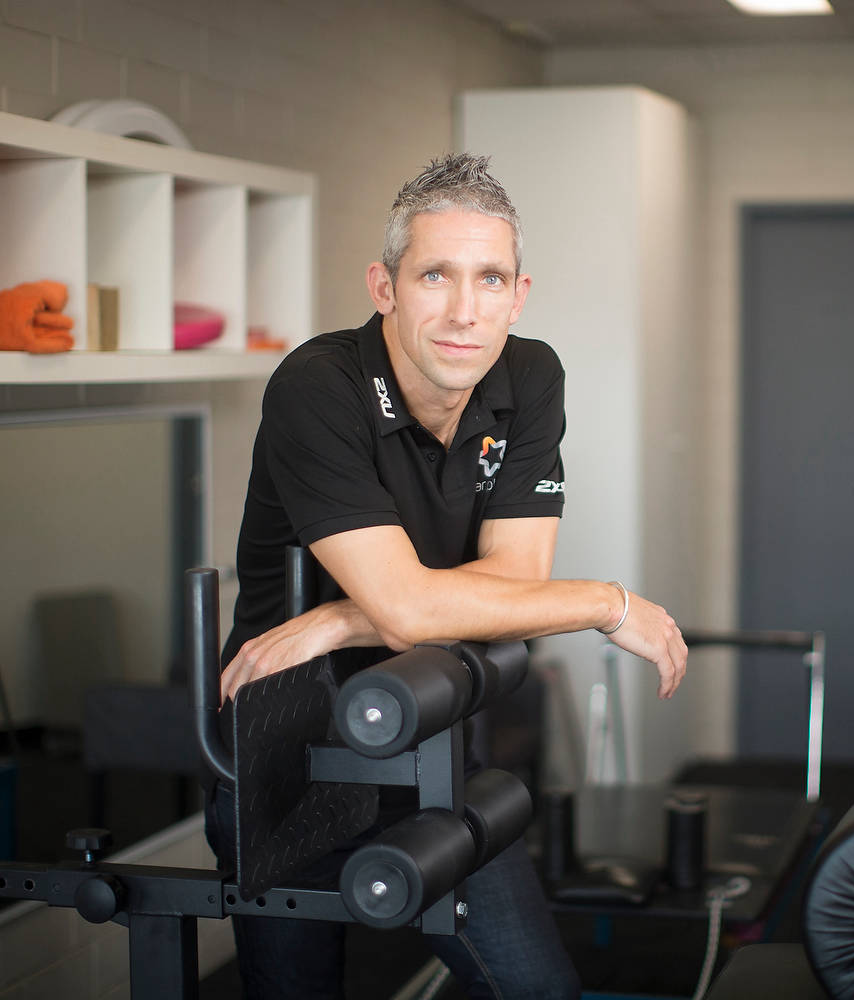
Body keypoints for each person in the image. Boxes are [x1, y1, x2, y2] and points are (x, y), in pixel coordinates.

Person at [205, 152, 688, 999]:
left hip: (432, 739)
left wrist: (350, 616)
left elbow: (513, 577)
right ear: (383, 287)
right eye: (435, 275)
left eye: (490, 279)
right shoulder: (317, 386)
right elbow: (446, 604)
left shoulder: (529, 374)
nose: (465, 312)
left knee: (541, 992)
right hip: (289, 755)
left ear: (519, 293)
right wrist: (608, 605)